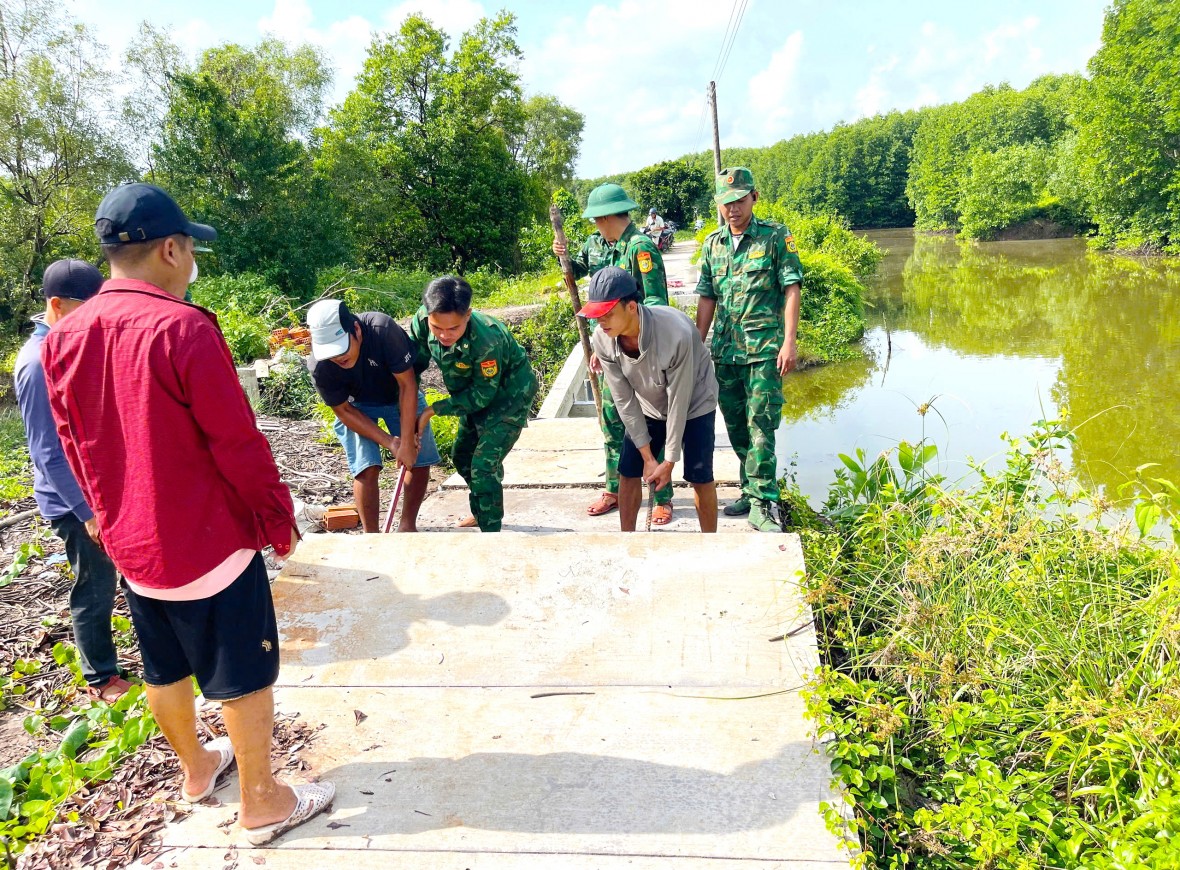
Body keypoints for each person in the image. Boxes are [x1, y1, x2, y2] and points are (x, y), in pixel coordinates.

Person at [41, 183, 334, 844]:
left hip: (134, 547)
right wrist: (273, 517)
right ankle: (261, 801)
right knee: (242, 670)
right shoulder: (183, 326)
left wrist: (106, 523)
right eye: (190, 248)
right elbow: (235, 441)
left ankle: (198, 770)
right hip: (208, 544)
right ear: (171, 249)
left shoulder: (65, 337)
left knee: (163, 665)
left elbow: (73, 444)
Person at [14, 260, 130, 703]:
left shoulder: (67, 345)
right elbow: (48, 452)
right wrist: (88, 512)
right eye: (86, 311)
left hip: (96, 491)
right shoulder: (37, 363)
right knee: (95, 583)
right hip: (73, 503)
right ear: (57, 306)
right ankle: (100, 675)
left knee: (114, 576)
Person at [551, 182, 676, 523]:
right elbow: (584, 284)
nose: (594, 225)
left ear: (606, 216)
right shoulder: (595, 245)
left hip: (641, 353)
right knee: (612, 421)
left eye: (596, 219)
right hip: (608, 348)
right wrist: (564, 257)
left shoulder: (641, 247)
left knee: (653, 422)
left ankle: (661, 495)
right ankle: (614, 488)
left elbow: (656, 305)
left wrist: (629, 345)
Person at [695, 167, 803, 533]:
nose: (733, 209)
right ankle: (750, 487)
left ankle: (764, 501)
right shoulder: (713, 244)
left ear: (754, 197)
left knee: (761, 426)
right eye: (726, 203)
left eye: (739, 200)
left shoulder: (774, 237)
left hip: (763, 351)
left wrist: (789, 341)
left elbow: (791, 288)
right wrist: (697, 344)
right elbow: (707, 296)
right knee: (737, 427)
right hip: (725, 353)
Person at [580, 268, 719, 533]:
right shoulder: (602, 339)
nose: (601, 322)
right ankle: (627, 539)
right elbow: (624, 399)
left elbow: (680, 399)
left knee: (699, 474)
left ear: (631, 307)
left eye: (608, 313)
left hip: (695, 402)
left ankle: (709, 542)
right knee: (629, 468)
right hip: (648, 404)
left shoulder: (676, 333)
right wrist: (647, 456)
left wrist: (668, 461)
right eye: (597, 315)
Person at [410, 276, 538, 533]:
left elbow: (482, 396)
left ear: (467, 315)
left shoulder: (486, 339)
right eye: (438, 328)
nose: (444, 335)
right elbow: (413, 365)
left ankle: (491, 532)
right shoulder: (424, 320)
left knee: (483, 465)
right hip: (469, 394)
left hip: (508, 398)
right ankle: (482, 511)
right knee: (462, 457)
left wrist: (431, 411)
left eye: (453, 329)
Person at [306, 299, 438, 532]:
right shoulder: (320, 366)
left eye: (342, 348)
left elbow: (407, 385)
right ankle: (372, 537)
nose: (338, 358)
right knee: (366, 466)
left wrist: (406, 441)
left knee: (418, 458)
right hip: (358, 408)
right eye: (331, 354)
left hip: (400, 394)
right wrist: (390, 442)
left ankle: (407, 527)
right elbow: (344, 410)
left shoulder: (383, 331)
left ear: (355, 329)